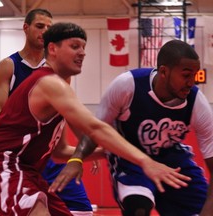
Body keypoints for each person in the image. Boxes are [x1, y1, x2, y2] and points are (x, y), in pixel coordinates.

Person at [0, 22, 190, 216]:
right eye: (75, 46)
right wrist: (146, 161)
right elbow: (95, 128)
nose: (82, 52)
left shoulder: (60, 87)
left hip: (26, 170)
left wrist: (107, 152)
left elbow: (58, 151)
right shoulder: (49, 83)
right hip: (0, 165)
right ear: (53, 49)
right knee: (37, 211)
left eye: (84, 47)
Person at [50, 40, 213, 216]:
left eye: (194, 75)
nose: (192, 82)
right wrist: (77, 159)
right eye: (186, 75)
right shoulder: (128, 85)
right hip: (131, 159)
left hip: (173, 161)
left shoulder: (197, 103)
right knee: (138, 207)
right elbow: (96, 128)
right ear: (164, 71)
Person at [0, 8, 95, 215]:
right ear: (26, 28)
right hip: (20, 157)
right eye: (40, 26)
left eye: (49, 27)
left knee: (82, 210)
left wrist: (81, 152)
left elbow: (61, 117)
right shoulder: (9, 66)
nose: (45, 32)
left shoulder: (60, 71)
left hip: (48, 156)